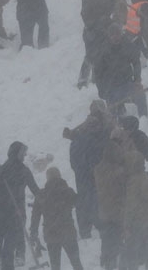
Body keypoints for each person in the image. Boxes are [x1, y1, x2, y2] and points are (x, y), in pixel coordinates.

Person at [61, 100, 111, 239]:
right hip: (92, 175)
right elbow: (97, 157)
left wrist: (81, 168)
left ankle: (85, 229)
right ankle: (98, 225)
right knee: (94, 200)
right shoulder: (95, 140)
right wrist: (92, 168)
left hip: (82, 175)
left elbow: (74, 161)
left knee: (84, 201)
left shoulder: (79, 139)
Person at [0, 142, 40, 270]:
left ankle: (11, 261)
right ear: (17, 153)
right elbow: (35, 189)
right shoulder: (18, 169)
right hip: (11, 209)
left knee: (11, 236)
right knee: (13, 236)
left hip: (7, 209)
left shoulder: (5, 168)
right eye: (23, 153)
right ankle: (12, 262)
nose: (24, 155)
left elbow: (35, 189)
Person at [29, 167, 84, 270]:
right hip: (68, 232)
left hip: (51, 234)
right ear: (59, 176)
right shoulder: (68, 191)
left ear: (47, 178)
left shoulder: (42, 194)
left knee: (55, 266)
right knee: (76, 263)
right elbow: (80, 205)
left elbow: (35, 216)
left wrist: (33, 232)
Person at [94, 24, 145, 116]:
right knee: (115, 115)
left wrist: (137, 80)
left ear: (121, 34)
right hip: (111, 89)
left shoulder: (127, 45)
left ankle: (144, 119)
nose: (115, 37)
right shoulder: (103, 51)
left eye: (117, 34)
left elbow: (136, 62)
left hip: (127, 84)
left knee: (140, 94)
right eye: (112, 35)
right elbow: (97, 73)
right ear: (109, 37)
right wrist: (102, 91)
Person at [94, 139, 126, 270]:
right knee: (118, 241)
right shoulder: (119, 171)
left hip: (104, 210)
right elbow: (123, 189)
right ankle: (116, 264)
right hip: (117, 210)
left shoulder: (97, 169)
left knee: (107, 239)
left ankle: (107, 262)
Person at [79, 0, 116, 87]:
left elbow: (111, 11)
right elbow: (85, 14)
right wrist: (96, 23)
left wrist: (111, 22)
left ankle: (97, 79)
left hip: (105, 31)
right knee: (90, 56)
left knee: (103, 55)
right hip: (91, 31)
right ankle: (82, 81)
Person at [121, 151, 148, 270]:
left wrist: (126, 224)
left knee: (131, 252)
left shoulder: (133, 181)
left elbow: (131, 205)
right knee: (147, 248)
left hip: (136, 221)